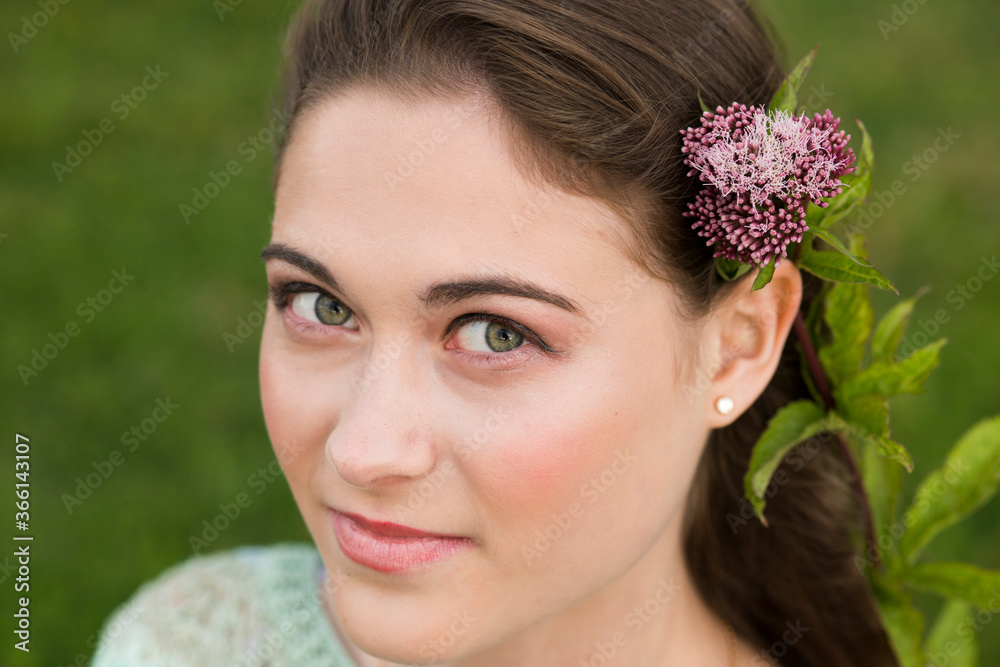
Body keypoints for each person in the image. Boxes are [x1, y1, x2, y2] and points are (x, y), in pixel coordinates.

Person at [91, 0, 901, 665]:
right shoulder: (187, 644)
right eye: (321, 305)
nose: (362, 450)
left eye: (495, 333)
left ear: (739, 344)